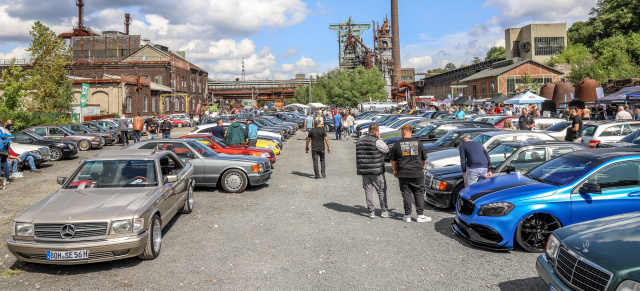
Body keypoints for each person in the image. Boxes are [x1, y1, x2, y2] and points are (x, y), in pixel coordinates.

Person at [389, 124, 430, 223]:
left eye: (401, 131)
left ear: (404, 131)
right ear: (410, 132)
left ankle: (407, 215)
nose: (401, 133)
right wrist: (423, 166)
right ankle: (420, 215)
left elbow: (393, 160)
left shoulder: (397, 144)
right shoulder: (418, 143)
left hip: (403, 172)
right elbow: (424, 158)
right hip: (417, 172)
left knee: (406, 194)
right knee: (418, 193)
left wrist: (394, 170)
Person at [356, 124, 392, 219]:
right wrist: (379, 139)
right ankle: (384, 211)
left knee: (368, 190)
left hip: (364, 170)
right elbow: (386, 149)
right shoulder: (376, 141)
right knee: (381, 190)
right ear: (376, 131)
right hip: (376, 170)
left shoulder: (360, 140)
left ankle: (371, 211)